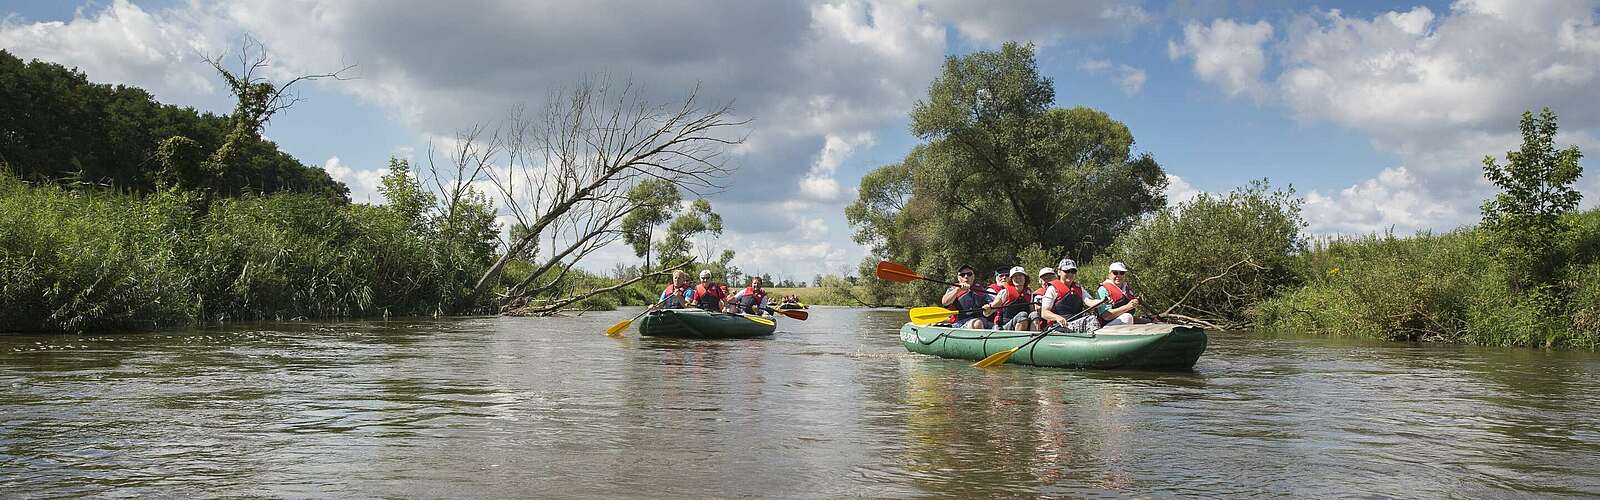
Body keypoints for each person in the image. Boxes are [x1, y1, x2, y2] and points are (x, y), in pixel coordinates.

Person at [1038, 260, 1105, 332]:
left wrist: (1102, 301)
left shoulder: (1078, 288)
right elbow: (1044, 313)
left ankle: (1094, 341)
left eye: (1073, 271)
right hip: (1058, 326)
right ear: (1059, 272)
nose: (1070, 274)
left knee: (1092, 319)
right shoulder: (1052, 289)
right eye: (1066, 271)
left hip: (1076, 322)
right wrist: (1057, 317)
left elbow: (1089, 301)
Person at [983, 266, 1038, 331]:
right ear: (1011, 279)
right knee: (1022, 315)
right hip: (1005, 326)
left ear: (1025, 278)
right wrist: (987, 309)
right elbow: (988, 313)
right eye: (1015, 276)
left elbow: (1031, 310)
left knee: (1035, 314)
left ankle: (1033, 336)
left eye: (1020, 275)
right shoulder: (1005, 292)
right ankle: (1018, 340)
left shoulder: (1029, 292)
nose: (1018, 278)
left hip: (1025, 323)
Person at [939, 264, 993, 329]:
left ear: (973, 276)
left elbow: (991, 303)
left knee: (997, 327)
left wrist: (989, 307)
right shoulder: (953, 289)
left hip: (983, 321)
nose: (966, 276)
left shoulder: (980, 288)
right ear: (958, 278)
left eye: (969, 274)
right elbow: (944, 302)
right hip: (960, 323)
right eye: (962, 275)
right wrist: (957, 290)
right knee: (977, 323)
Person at [1096, 261, 1143, 326]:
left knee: (1146, 321)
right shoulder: (1103, 290)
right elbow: (1106, 316)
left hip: (1123, 324)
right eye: (1115, 273)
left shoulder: (1126, 289)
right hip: (1106, 327)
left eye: (1122, 273)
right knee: (1127, 317)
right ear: (1109, 275)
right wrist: (1127, 307)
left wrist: (1149, 321)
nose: (1118, 275)